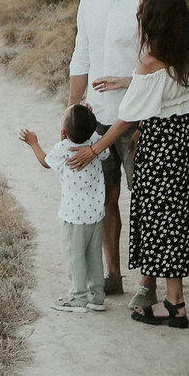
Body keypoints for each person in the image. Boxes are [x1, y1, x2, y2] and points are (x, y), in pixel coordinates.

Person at [68, 0, 189, 327]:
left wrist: (94, 148)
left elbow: (127, 118)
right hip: (186, 136)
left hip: (161, 141)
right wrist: (129, 83)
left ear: (153, 19)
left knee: (162, 218)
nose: (138, 14)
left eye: (142, 10)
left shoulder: (151, 60)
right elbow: (168, 93)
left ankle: (174, 303)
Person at [66, 0, 155, 297]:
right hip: (96, 118)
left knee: (146, 199)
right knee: (104, 198)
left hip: (135, 119)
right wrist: (73, 108)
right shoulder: (91, 0)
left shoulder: (147, 2)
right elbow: (81, 54)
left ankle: (149, 283)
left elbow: (157, 64)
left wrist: (144, 113)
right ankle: (113, 276)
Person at [20, 104, 109, 313]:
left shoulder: (63, 149)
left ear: (63, 132)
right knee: (94, 255)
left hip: (74, 216)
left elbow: (45, 162)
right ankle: (97, 296)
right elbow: (101, 150)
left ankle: (78, 297)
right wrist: (85, 118)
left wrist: (34, 143)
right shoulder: (96, 142)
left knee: (74, 255)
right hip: (96, 213)